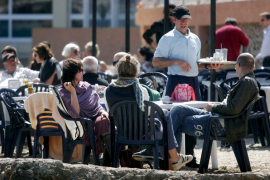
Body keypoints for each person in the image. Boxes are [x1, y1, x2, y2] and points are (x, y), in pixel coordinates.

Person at [152, 5, 223, 168]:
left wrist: (208, 66)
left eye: (186, 19)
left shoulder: (195, 39)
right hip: (174, 81)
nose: (184, 22)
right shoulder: (167, 38)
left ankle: (191, 157)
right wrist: (176, 61)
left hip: (193, 83)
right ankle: (170, 157)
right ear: (174, 19)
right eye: (181, 19)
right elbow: (156, 61)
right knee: (171, 118)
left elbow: (194, 65)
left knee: (193, 118)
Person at [104, 54, 193, 171]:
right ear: (136, 72)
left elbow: (110, 111)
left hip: (121, 132)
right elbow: (148, 113)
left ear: (118, 70)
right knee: (164, 116)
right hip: (143, 134)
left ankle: (169, 158)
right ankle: (172, 157)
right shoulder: (141, 90)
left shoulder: (108, 90)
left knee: (162, 118)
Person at [170, 53, 259, 158]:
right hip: (219, 118)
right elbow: (233, 106)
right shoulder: (247, 81)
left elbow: (233, 109)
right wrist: (216, 106)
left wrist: (213, 107)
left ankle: (170, 158)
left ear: (238, 65)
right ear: (253, 67)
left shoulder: (247, 82)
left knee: (177, 122)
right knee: (178, 109)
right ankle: (172, 157)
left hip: (221, 124)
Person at [59, 58, 110, 161]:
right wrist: (73, 92)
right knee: (103, 125)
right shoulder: (64, 92)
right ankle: (110, 159)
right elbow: (76, 114)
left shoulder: (86, 86)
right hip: (81, 126)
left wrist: (102, 111)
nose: (83, 72)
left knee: (104, 121)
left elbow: (96, 106)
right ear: (72, 73)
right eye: (80, 70)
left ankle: (109, 160)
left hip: (93, 120)